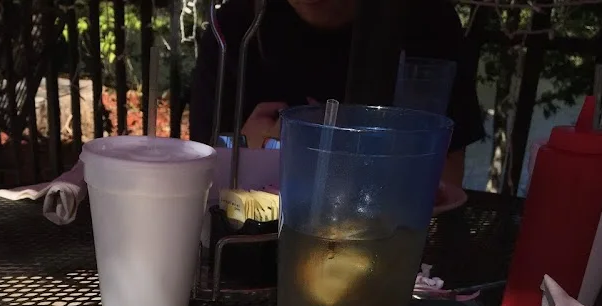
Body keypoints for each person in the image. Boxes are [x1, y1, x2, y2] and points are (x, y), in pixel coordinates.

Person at [189, 0, 485, 187]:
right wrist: (244, 157)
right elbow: (204, 179)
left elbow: (445, 181)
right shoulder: (231, 29)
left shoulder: (426, 21)